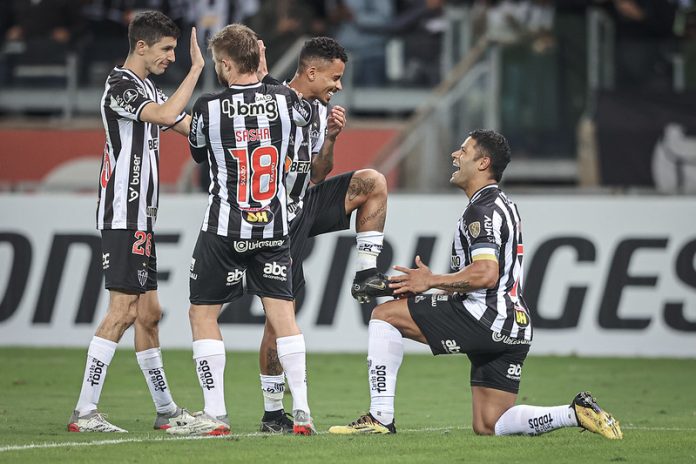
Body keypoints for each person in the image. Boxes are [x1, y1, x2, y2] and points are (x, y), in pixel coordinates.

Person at [328, 129, 623, 440]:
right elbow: (486, 275)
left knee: (384, 316)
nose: (455, 155)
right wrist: (429, 287)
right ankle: (574, 412)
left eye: (463, 151)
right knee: (490, 424)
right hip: (514, 325)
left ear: (483, 163)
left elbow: (485, 274)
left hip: (484, 317)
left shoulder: (481, 211)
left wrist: (431, 281)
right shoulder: (501, 204)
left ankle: (380, 416)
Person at [165, 23, 315, 437]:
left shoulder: (209, 107)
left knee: (202, 312)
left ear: (227, 63)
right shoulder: (287, 101)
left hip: (224, 228)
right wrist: (265, 77)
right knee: (284, 316)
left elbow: (198, 151)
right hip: (274, 227)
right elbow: (303, 115)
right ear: (258, 58)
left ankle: (215, 413)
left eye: (218, 63)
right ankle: (301, 410)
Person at [67, 11, 205, 433]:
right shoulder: (120, 85)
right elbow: (165, 117)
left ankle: (165, 411)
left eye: (176, 51)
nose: (171, 57)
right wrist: (198, 69)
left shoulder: (146, 87)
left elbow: (185, 124)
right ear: (141, 46)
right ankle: (85, 411)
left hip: (141, 216)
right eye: (166, 49)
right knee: (123, 310)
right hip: (122, 214)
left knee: (149, 313)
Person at [254, 36, 393, 434]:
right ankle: (271, 412)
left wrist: (331, 138)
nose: (339, 86)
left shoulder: (318, 111)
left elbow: (318, 173)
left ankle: (366, 274)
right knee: (279, 320)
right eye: (334, 77)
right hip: (274, 219)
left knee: (372, 182)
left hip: (305, 202)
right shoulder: (273, 101)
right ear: (311, 71)